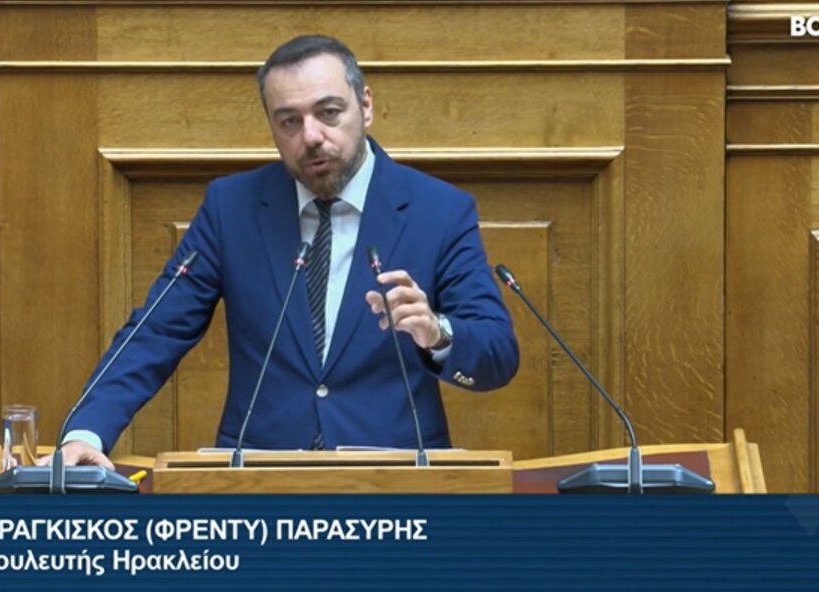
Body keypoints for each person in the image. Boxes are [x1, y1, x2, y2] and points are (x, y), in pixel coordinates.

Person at [57, 35, 519, 468]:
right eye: (289, 121)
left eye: (329, 113)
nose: (311, 136)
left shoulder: (438, 210)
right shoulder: (231, 208)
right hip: (258, 484)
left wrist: (437, 333)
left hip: (396, 482)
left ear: (365, 106)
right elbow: (157, 331)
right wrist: (87, 432)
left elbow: (498, 354)